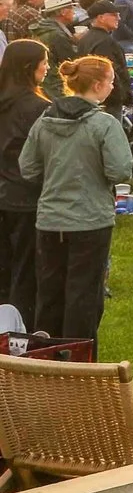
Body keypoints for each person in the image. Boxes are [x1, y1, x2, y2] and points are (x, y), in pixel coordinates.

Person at [18, 54, 132, 340]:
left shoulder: (45, 121)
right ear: (97, 85)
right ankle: (78, 361)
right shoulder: (104, 124)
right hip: (90, 220)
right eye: (110, 81)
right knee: (84, 292)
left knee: (50, 292)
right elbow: (120, 170)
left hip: (50, 219)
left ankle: (46, 356)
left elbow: (27, 167)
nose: (112, 86)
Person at [0, 39, 48, 319]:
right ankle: (18, 325)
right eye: (44, 63)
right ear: (30, 67)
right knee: (25, 267)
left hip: (8, 190)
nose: (47, 68)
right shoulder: (36, 107)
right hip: (26, 194)